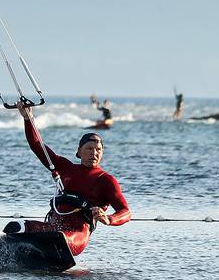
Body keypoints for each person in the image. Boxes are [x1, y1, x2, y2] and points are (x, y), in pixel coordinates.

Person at [10, 98, 130, 256]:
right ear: (79, 151)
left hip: (76, 235)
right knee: (16, 226)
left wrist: (108, 218)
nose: (94, 153)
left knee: (58, 238)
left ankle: (38, 251)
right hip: (53, 226)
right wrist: (28, 119)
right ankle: (6, 252)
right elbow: (38, 146)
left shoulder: (106, 180)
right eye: (89, 148)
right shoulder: (65, 167)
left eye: (98, 149)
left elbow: (126, 212)